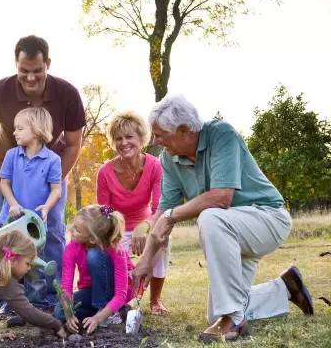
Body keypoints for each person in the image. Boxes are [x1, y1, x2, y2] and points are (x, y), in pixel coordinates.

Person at [133, 94, 314, 343]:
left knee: (210, 217)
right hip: (231, 231)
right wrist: (145, 261)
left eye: (160, 134)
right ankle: (285, 288)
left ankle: (233, 318)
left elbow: (221, 197)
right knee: (214, 312)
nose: (155, 140)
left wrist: (172, 216)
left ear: (184, 130)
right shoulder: (169, 159)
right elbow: (163, 212)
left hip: (267, 218)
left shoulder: (222, 134)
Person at [0, 35, 86, 309]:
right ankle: (8, 300)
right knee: (9, 236)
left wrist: (53, 181)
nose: (30, 77)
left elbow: (73, 144)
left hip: (51, 173)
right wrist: (3, 177)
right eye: (24, 71)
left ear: (47, 64)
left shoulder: (67, 94)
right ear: (16, 64)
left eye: (37, 71)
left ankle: (49, 298)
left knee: (51, 234)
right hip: (10, 175)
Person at [96, 111, 169, 315]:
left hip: (147, 224)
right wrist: (117, 232)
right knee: (115, 260)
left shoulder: (155, 165)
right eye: (118, 138)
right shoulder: (105, 172)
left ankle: (155, 300)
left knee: (163, 240)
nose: (124, 142)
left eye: (129, 137)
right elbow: (105, 210)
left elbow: (159, 208)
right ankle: (127, 296)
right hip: (117, 229)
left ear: (141, 139)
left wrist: (145, 226)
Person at [0, 107, 62, 315]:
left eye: (19, 128)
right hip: (11, 221)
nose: (14, 132)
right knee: (8, 261)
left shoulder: (53, 160)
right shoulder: (11, 155)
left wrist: (47, 206)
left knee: (33, 266)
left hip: (34, 225)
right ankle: (9, 305)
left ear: (36, 130)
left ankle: (35, 306)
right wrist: (13, 204)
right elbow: (4, 184)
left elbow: (56, 190)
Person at [55, 204, 134, 335]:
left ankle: (104, 312)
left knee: (94, 255)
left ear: (92, 239)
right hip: (91, 292)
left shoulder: (116, 250)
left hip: (115, 293)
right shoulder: (72, 247)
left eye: (78, 230)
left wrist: (99, 318)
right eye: (74, 226)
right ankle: (112, 312)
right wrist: (69, 314)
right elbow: (66, 287)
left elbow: (121, 295)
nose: (71, 231)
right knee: (59, 313)